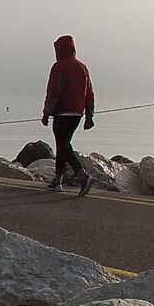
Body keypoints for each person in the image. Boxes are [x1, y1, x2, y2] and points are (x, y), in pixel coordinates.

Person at [42, 35, 97, 195]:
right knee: (62, 144)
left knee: (63, 145)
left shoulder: (59, 66)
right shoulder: (82, 67)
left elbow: (54, 91)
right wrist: (89, 116)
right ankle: (57, 180)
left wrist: (46, 113)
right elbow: (90, 93)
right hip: (77, 113)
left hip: (62, 112)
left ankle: (83, 176)